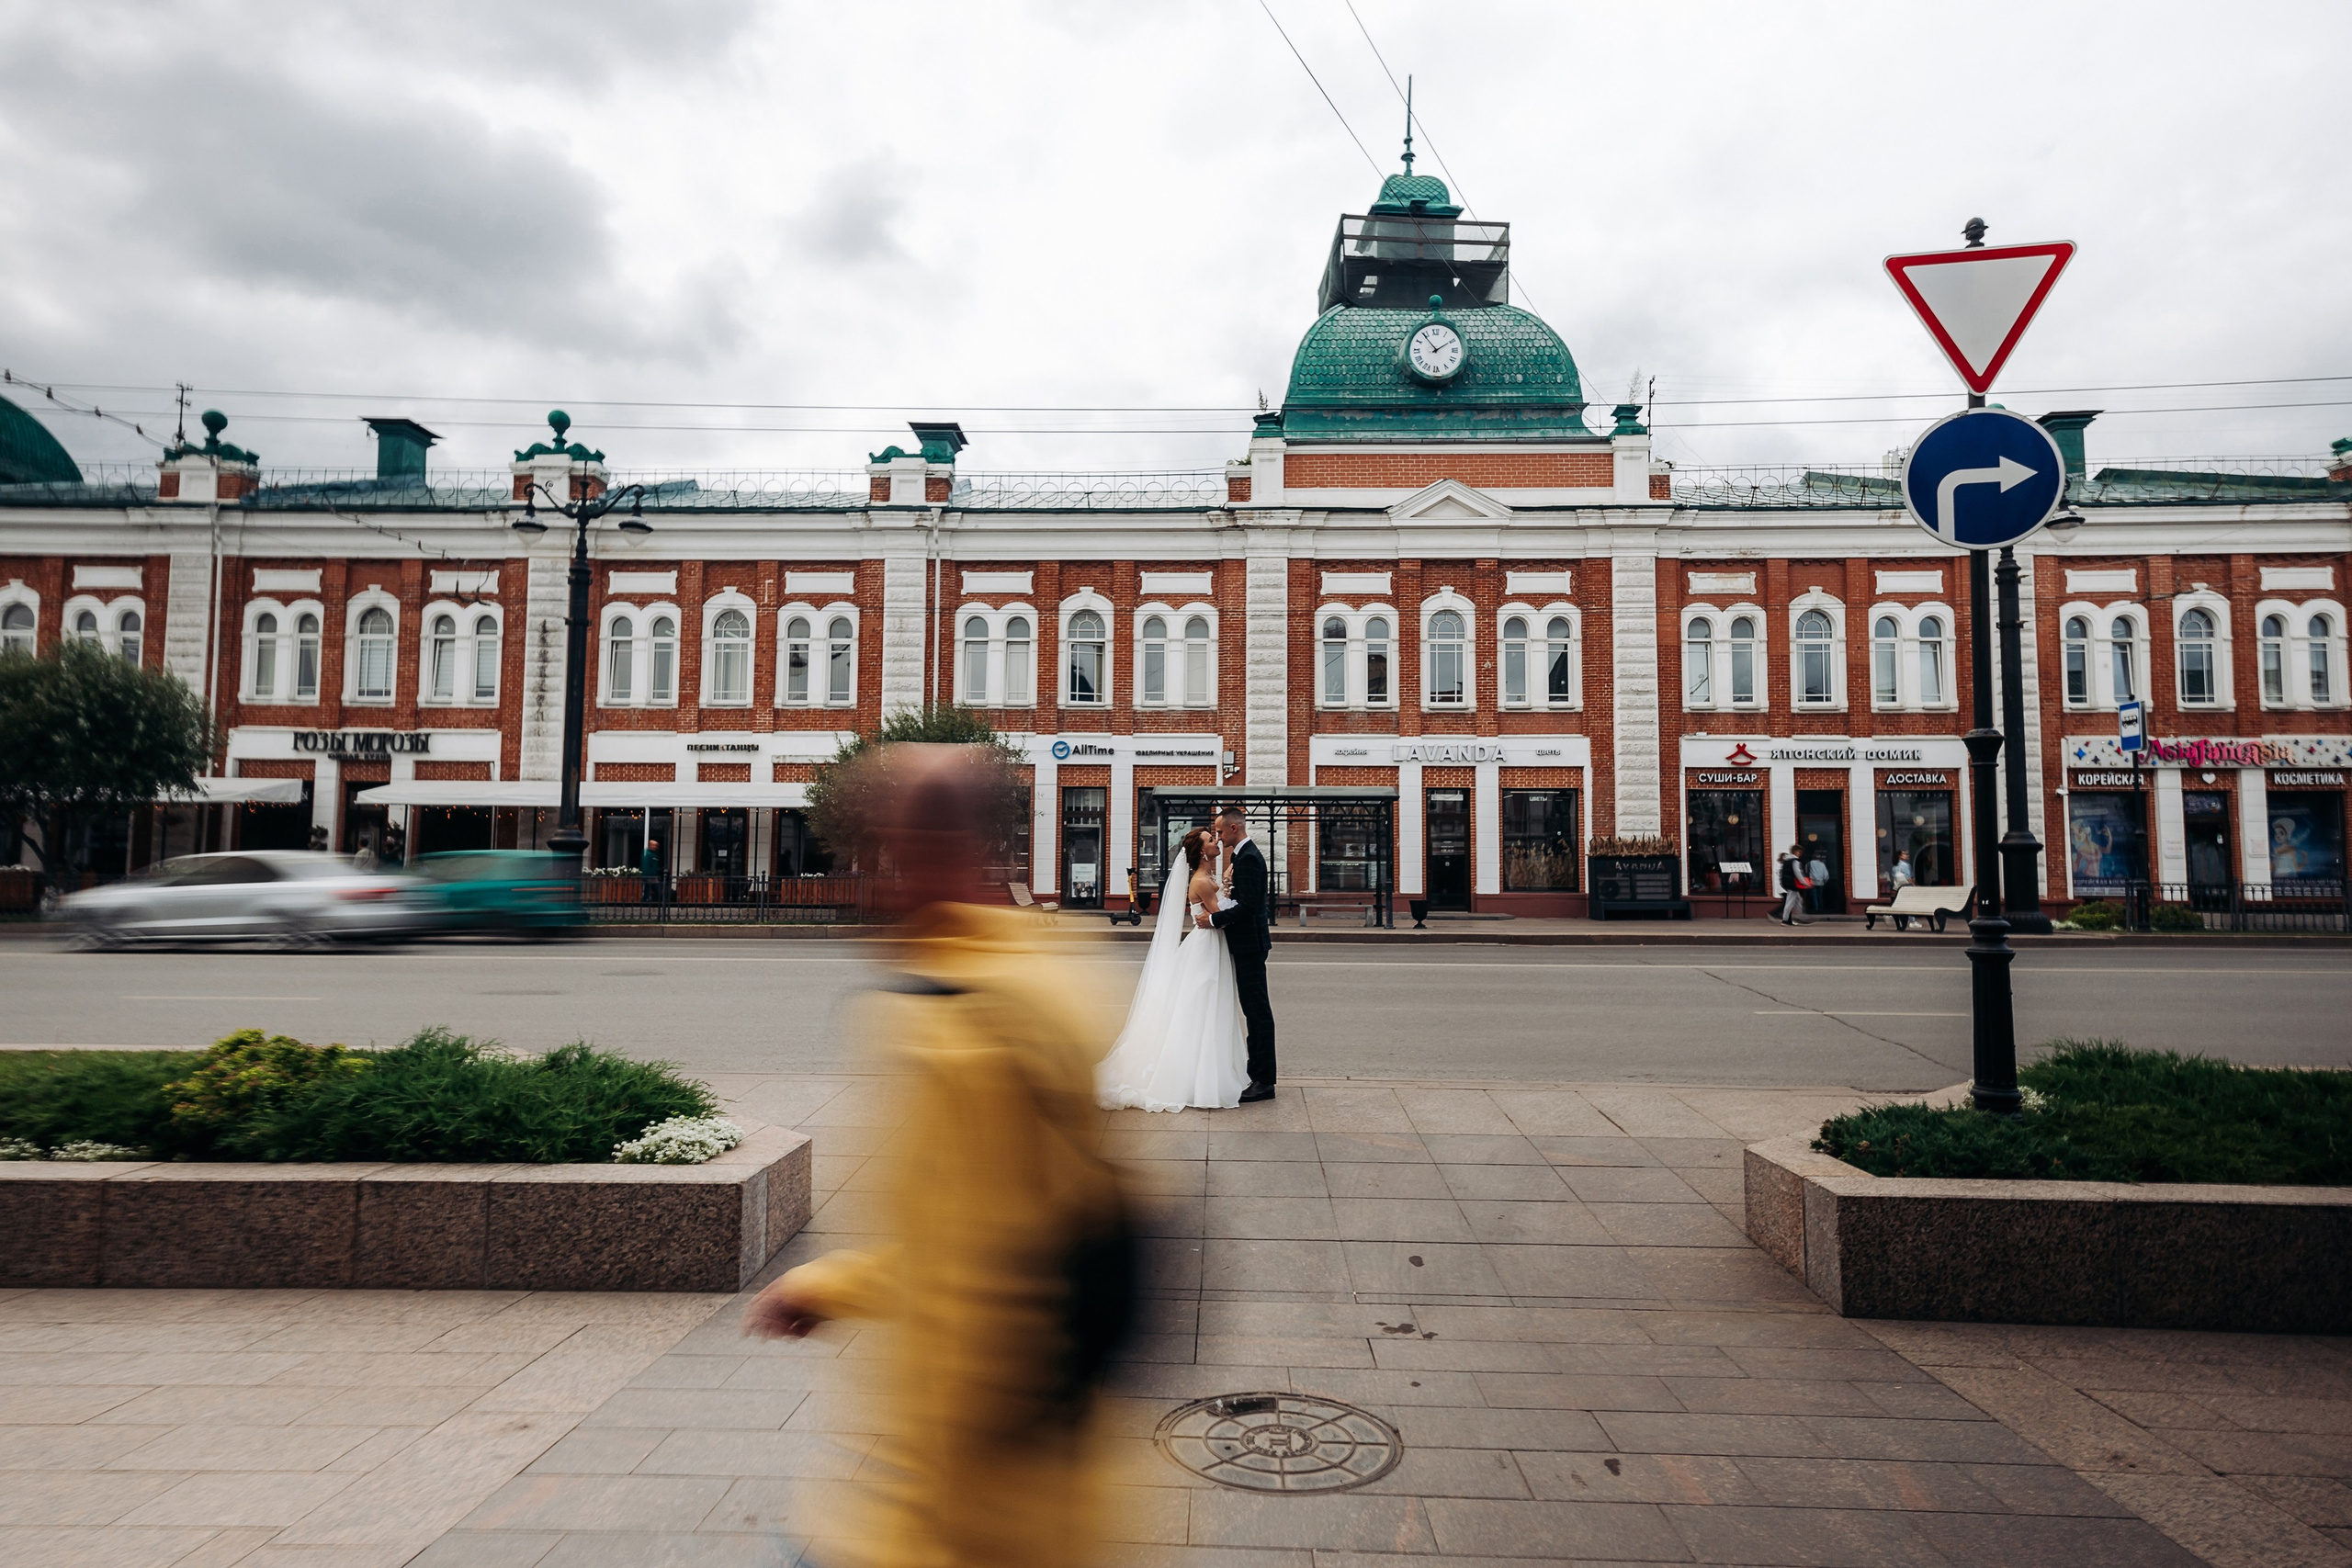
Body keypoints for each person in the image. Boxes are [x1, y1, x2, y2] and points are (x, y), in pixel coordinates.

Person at [741, 744, 1130, 1568]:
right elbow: (958, 1232)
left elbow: (997, 1275)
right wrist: (829, 1284)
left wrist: (933, 1497)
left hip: (977, 1500)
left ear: (941, 849)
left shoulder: (980, 1022)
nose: (873, 873)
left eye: (888, 846)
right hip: (966, 1482)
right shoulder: (978, 982)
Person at [1096, 828, 1249, 1111]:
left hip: (1210, 944)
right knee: (1203, 1005)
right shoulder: (1201, 880)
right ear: (1203, 851)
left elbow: (1219, 909)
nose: (1216, 842)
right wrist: (1230, 899)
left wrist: (1226, 887)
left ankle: (1206, 1072)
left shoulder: (1208, 877)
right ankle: (1197, 1078)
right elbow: (1220, 917)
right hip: (1206, 946)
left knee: (1208, 1005)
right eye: (1210, 839)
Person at [1204, 806, 1276, 1101]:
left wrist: (1212, 919)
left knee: (1257, 1013)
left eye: (1220, 832)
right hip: (1247, 944)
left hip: (1250, 945)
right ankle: (1256, 1073)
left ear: (1235, 828)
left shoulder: (1248, 858)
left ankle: (1264, 1081)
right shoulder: (1244, 856)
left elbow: (1248, 908)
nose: (1218, 838)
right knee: (1254, 1011)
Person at [1775, 845, 1806, 926]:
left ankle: (1798, 917)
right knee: (1790, 902)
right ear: (1796, 852)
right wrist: (1804, 882)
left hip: (1788, 883)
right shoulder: (1795, 861)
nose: (1800, 854)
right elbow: (1798, 873)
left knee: (1798, 900)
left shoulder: (1786, 861)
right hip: (1793, 884)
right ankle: (1786, 920)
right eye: (1799, 852)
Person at [1806, 848, 1831, 915]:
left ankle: (1816, 909)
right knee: (1820, 896)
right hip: (1821, 882)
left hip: (1812, 881)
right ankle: (1821, 908)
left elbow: (1806, 871)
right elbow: (1826, 875)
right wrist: (1825, 881)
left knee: (1814, 896)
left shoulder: (1809, 863)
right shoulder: (1822, 864)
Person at [639, 836, 662, 904]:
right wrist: (647, 875)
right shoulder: (648, 854)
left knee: (647, 888)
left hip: (652, 875)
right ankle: (661, 901)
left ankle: (645, 900)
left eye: (657, 845)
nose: (656, 847)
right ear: (650, 845)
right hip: (650, 875)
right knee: (657, 888)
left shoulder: (653, 854)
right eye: (654, 845)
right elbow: (646, 865)